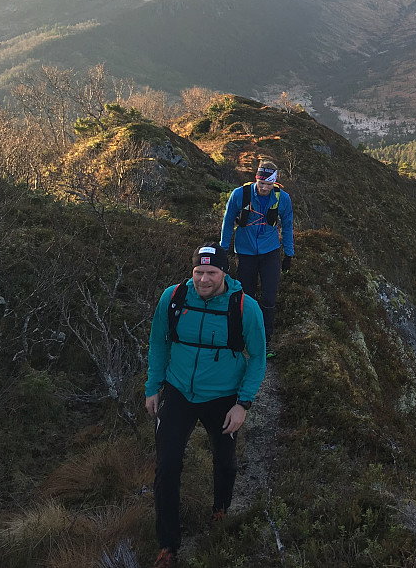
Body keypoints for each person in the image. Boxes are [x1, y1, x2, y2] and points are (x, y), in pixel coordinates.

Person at [145, 243, 266, 568]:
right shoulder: (173, 298)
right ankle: (168, 546)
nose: (203, 279)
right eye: (198, 272)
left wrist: (243, 404)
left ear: (224, 272)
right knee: (167, 467)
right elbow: (158, 342)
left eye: (211, 272)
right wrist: (153, 386)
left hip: (224, 397)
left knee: (224, 461)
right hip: (178, 392)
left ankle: (220, 509)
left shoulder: (245, 307)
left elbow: (257, 358)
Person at [220, 159, 294, 359]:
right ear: (256, 179)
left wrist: (289, 254)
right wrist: (223, 251)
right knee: (246, 298)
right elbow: (227, 222)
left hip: (270, 251)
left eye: (269, 185)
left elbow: (287, 225)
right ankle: (242, 340)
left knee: (269, 299)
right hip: (245, 252)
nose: (264, 188)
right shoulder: (240, 194)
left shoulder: (282, 198)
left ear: (274, 183)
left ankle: (265, 342)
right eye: (261, 183)